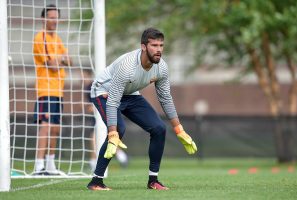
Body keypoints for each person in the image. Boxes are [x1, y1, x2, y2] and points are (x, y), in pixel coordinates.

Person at [86, 28, 197, 190]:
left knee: (159, 128)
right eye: (154, 45)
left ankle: (153, 181)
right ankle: (96, 181)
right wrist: (112, 132)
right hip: (104, 93)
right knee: (119, 130)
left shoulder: (162, 68)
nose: (158, 49)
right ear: (143, 47)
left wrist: (179, 129)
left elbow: (165, 98)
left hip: (130, 93)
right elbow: (113, 101)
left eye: (161, 45)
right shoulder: (127, 66)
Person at [32, 4, 72, 175]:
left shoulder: (58, 39)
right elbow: (54, 66)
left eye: (56, 17)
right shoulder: (41, 38)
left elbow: (70, 61)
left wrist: (61, 60)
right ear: (44, 19)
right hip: (45, 89)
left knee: (55, 128)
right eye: (51, 17)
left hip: (58, 90)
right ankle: (38, 165)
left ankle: (50, 165)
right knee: (46, 126)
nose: (54, 20)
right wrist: (61, 60)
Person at [82, 69, 129, 172]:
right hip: (94, 118)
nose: (82, 78)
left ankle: (96, 162)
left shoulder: (92, 85)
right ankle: (121, 157)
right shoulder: (86, 87)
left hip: (101, 116)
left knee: (98, 139)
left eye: (84, 76)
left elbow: (97, 103)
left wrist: (90, 107)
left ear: (88, 75)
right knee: (97, 139)